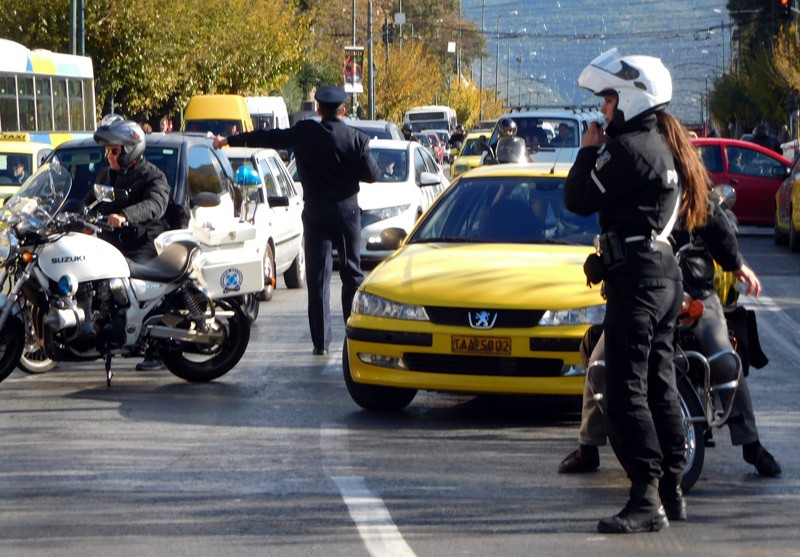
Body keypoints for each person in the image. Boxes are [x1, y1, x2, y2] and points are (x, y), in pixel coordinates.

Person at [563, 48, 709, 534]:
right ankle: (671, 490)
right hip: (663, 275)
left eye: (607, 99)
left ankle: (646, 496)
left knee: (625, 390)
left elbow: (578, 198)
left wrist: (587, 150)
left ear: (629, 96)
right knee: (660, 385)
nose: (602, 110)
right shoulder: (664, 147)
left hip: (640, 282)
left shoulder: (627, 150)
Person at [559, 187, 782, 480]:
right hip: (641, 293)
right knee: (600, 364)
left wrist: (736, 262)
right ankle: (588, 446)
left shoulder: (691, 191)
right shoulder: (629, 181)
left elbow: (716, 225)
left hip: (695, 294)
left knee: (726, 361)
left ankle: (751, 444)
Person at [212, 86, 379, 356]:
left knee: (318, 278)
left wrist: (228, 141)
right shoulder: (357, 138)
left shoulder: (304, 132)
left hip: (315, 212)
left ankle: (321, 343)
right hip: (347, 213)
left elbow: (267, 137)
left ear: (319, 109)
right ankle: (352, 337)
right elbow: (372, 175)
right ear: (344, 110)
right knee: (351, 275)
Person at [90, 118, 170, 372]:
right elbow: (89, 200)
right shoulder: (107, 175)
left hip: (142, 241)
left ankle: (158, 347)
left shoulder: (153, 176)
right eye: (107, 151)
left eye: (114, 151)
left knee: (145, 291)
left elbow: (155, 204)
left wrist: (126, 216)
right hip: (111, 241)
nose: (109, 157)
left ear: (130, 150)